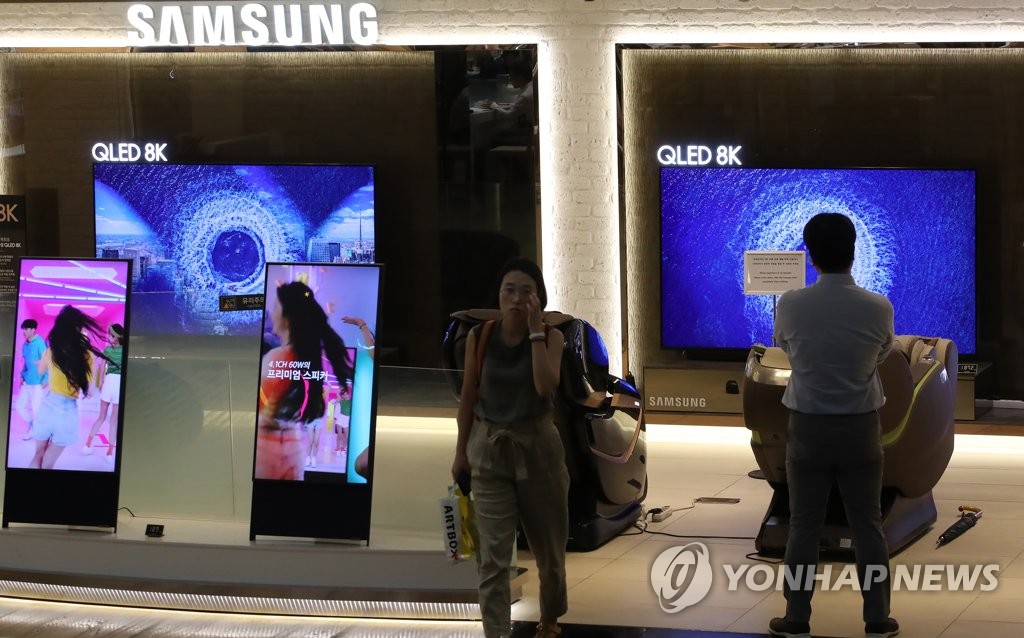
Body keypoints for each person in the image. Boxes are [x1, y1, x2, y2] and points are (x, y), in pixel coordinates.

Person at [769, 213, 899, 638]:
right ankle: (877, 619)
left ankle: (797, 619)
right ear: (854, 252)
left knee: (804, 525)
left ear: (811, 255)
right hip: (861, 427)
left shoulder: (790, 304)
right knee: (868, 525)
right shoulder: (878, 306)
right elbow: (882, 354)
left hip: (807, 428)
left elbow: (786, 347)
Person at [450, 257, 569, 638]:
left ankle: (549, 620)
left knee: (550, 555)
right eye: (509, 290)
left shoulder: (552, 337)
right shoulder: (480, 336)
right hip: (489, 452)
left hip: (539, 452)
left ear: (539, 299)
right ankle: (497, 632)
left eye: (526, 292)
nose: (516, 299)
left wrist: (535, 334)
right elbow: (468, 397)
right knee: (493, 559)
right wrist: (460, 452)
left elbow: (545, 385)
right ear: (499, 296)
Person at [255, 281, 353, 480]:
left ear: (287, 320)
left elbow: (263, 412)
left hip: (269, 454)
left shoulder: (276, 357)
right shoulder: (309, 356)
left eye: (275, 307)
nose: (270, 313)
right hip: (292, 451)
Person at [29, 306, 112, 470]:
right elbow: (90, 392)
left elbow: (40, 372)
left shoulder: (51, 350)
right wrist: (93, 367)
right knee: (48, 464)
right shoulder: (86, 355)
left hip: (47, 408)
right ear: (78, 328)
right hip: (67, 414)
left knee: (38, 455)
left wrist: (46, 364)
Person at [83, 323, 125, 458]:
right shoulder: (124, 350)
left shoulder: (107, 350)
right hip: (119, 384)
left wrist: (101, 382)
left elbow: (101, 367)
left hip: (109, 382)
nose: (108, 337)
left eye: (110, 335)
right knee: (114, 421)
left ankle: (87, 444)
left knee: (101, 417)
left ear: (116, 337)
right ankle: (110, 452)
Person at [15, 318, 48, 441]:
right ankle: (33, 426)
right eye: (23, 329)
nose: (24, 331)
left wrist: (46, 378)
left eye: (26, 329)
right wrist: (22, 376)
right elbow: (26, 364)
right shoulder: (25, 345)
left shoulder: (40, 343)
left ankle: (37, 431)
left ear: (33, 330)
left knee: (36, 409)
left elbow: (46, 361)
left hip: (38, 383)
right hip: (27, 382)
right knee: (19, 406)